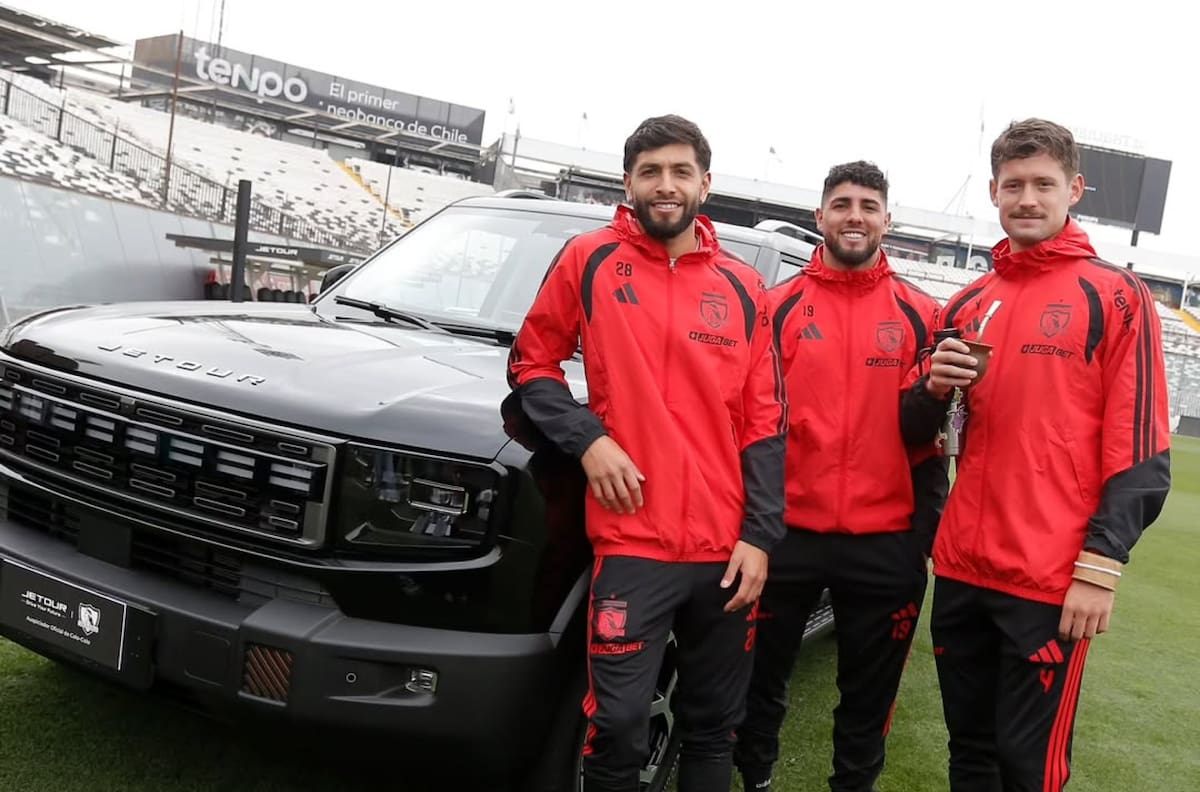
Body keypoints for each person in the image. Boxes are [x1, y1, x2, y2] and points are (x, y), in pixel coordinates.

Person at [506, 114, 787, 792]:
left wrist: (760, 536)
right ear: (628, 181)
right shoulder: (590, 259)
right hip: (634, 541)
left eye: (680, 171)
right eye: (651, 172)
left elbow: (765, 420)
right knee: (620, 723)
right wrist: (589, 440)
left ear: (705, 183)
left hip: (726, 552)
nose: (666, 185)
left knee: (713, 724)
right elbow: (531, 364)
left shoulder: (745, 287)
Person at [901, 118, 1172, 791]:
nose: (1027, 198)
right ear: (993, 191)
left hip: (1048, 580)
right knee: (969, 753)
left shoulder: (1116, 297)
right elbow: (913, 430)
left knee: (1031, 768)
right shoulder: (967, 302)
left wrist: (1101, 566)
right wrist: (932, 391)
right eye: (1013, 184)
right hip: (963, 569)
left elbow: (1141, 454)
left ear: (1073, 189)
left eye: (1043, 184)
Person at [733, 161, 948, 792]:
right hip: (783, 535)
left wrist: (921, 536)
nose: (856, 215)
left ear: (887, 218)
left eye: (869, 205)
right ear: (819, 216)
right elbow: (748, 423)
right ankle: (755, 782)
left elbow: (935, 434)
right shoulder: (775, 308)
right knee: (760, 684)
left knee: (867, 699)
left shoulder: (923, 314)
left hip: (885, 544)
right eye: (843, 204)